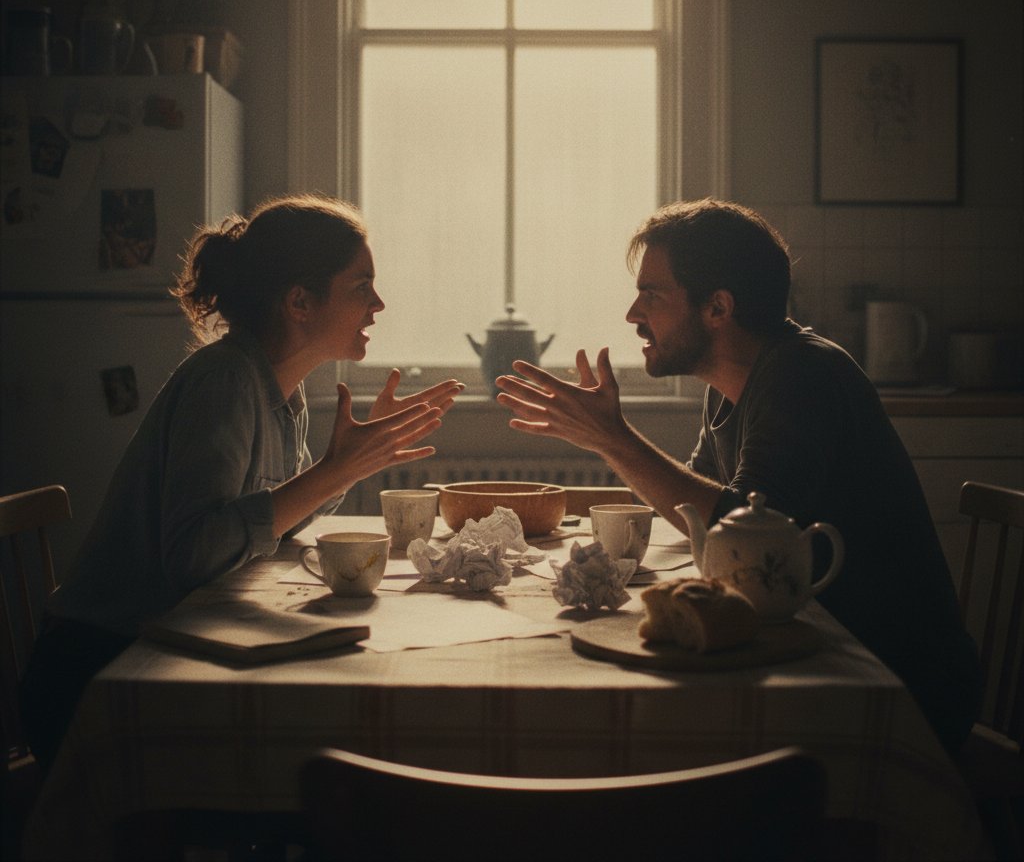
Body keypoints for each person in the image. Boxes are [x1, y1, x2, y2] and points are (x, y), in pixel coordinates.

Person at [495, 198, 980, 755]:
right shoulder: (738, 384)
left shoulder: (803, 377)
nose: (633, 314)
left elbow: (742, 536)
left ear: (717, 307)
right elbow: (695, 514)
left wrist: (612, 437)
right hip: (811, 653)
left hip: (897, 690)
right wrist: (602, 444)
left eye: (651, 294)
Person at [21, 193, 463, 772]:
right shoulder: (224, 382)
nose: (378, 303)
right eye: (361, 286)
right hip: (100, 677)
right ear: (299, 301)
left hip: (167, 652)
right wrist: (337, 470)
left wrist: (346, 464)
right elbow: (194, 555)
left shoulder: (281, 385)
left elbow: (269, 521)